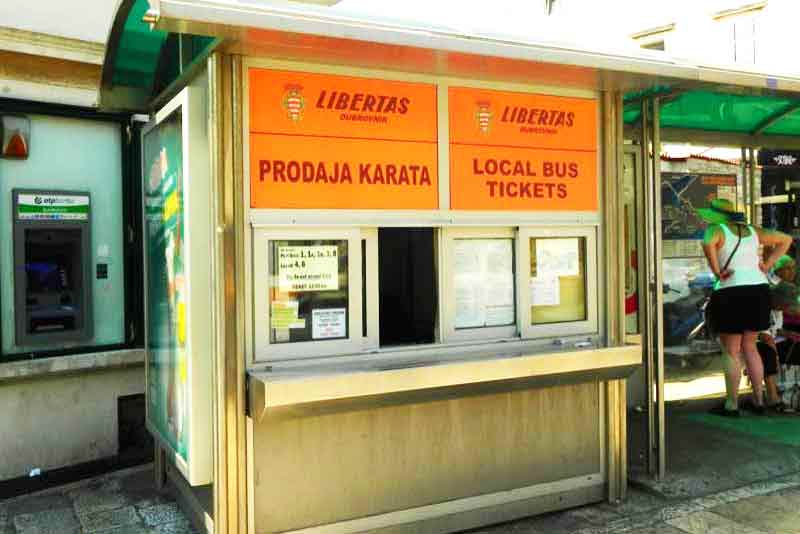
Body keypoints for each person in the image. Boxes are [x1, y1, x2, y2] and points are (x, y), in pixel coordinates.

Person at [698, 198, 792, 416]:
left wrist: (716, 271)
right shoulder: (752, 231)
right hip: (758, 291)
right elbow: (785, 240)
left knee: (731, 350)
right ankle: (759, 401)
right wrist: (767, 265)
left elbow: (707, 244)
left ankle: (732, 404)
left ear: (717, 216)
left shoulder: (716, 229)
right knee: (750, 346)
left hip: (731, 290)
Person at [756, 255, 798, 413]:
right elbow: (764, 336)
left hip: (771, 339)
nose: (786, 309)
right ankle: (773, 397)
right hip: (754, 341)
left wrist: (789, 333)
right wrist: (775, 351)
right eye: (788, 268)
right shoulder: (763, 306)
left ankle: (788, 389)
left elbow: (777, 329)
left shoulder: (778, 308)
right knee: (768, 354)